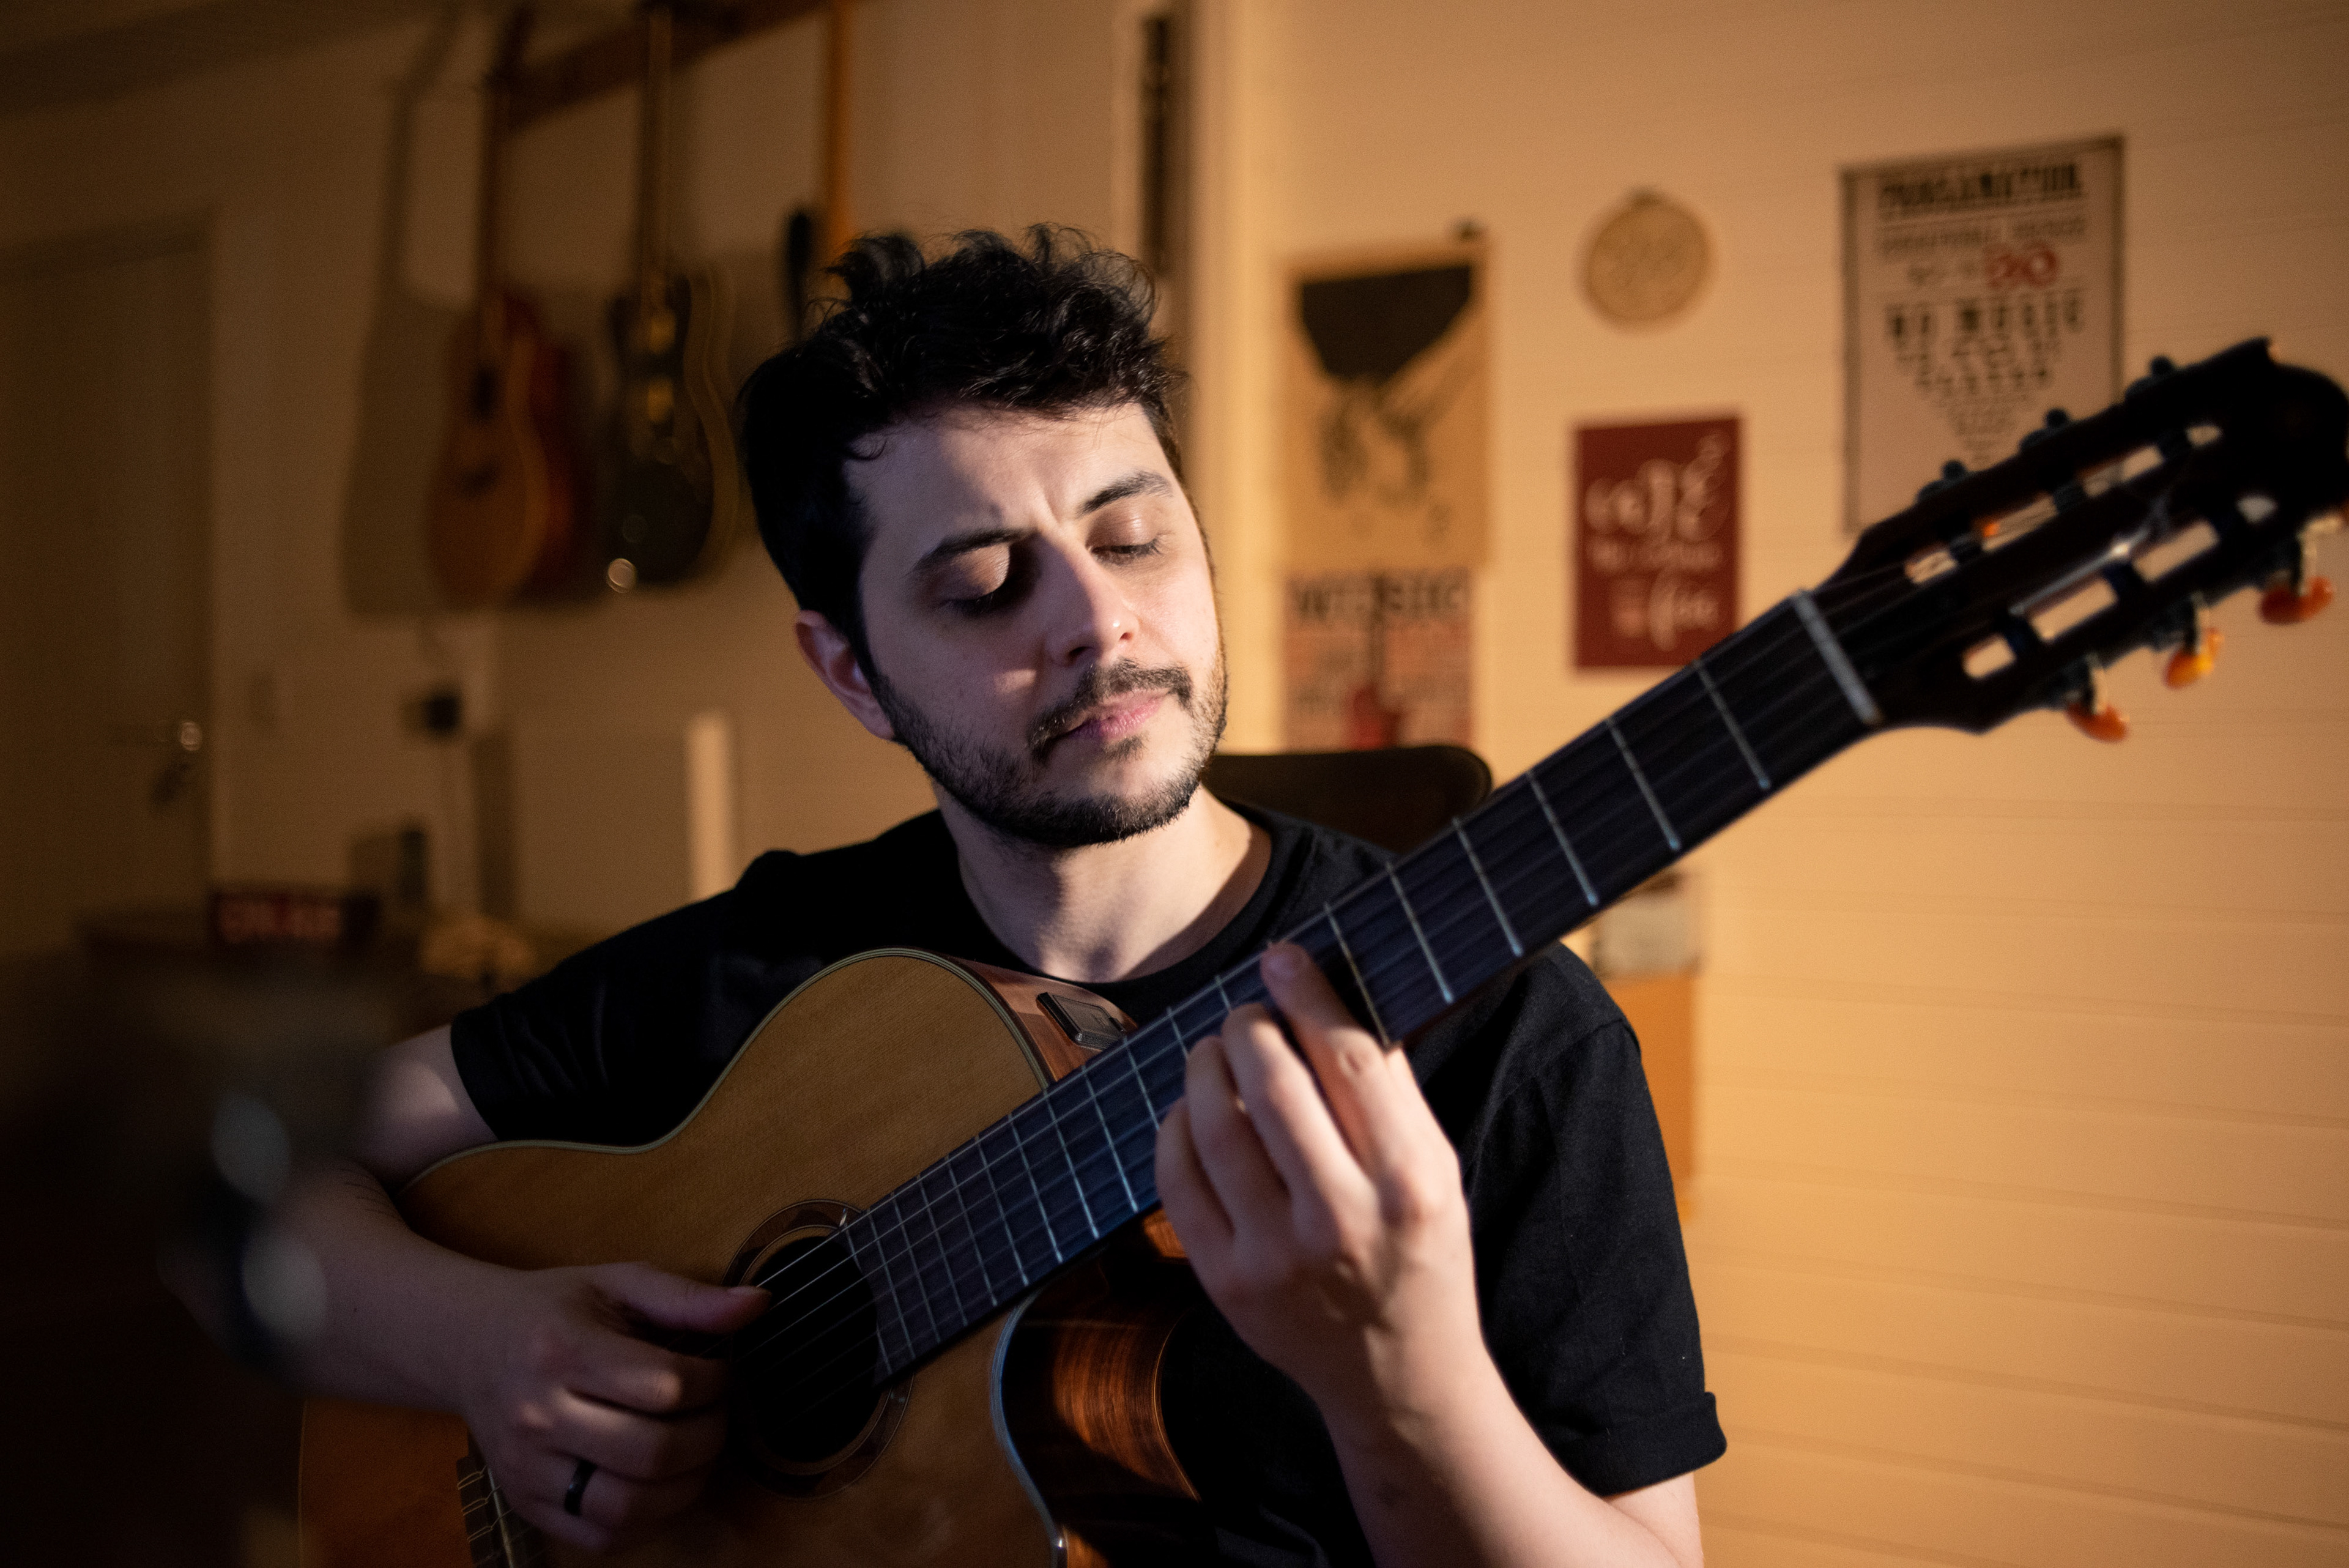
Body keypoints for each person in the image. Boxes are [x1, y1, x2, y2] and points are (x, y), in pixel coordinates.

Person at [256, 228, 1723, 1566]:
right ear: (852, 672)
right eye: (982, 584)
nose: (1099, 618)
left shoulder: (1512, 1037)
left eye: (1133, 537)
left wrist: (1404, 1373)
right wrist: (479, 1344)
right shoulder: (777, 969)